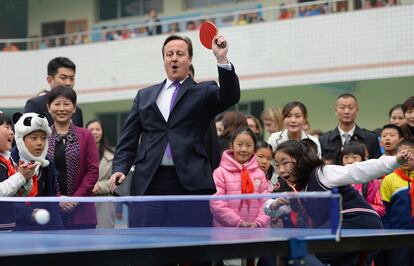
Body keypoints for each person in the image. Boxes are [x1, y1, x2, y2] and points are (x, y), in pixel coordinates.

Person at [109, 34, 240, 225]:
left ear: (189, 59)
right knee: (149, 245)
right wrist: (120, 167)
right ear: (164, 60)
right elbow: (128, 139)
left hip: (190, 182)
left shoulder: (204, 92)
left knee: (190, 247)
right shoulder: (144, 95)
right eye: (169, 54)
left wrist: (221, 59)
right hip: (149, 181)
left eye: (180, 53)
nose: (174, 58)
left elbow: (230, 96)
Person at [264, 139, 413, 265]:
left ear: (301, 160)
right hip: (348, 228)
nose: (281, 170)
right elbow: (270, 209)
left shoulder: (323, 174)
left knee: (305, 249)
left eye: (285, 163)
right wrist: (275, 204)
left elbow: (358, 170)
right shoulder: (299, 190)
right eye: (277, 165)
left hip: (358, 222)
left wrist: (395, 161)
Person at [47, 85, 99, 229]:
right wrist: (59, 199)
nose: (62, 108)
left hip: (82, 211)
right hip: (51, 211)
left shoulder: (86, 135)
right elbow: (40, 174)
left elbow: (93, 171)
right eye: (57, 104)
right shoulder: (43, 136)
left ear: (74, 108)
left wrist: (75, 199)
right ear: (49, 107)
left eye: (67, 104)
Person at [11, 112, 63, 230]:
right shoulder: (8, 162)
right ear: (20, 139)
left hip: (42, 231)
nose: (40, 143)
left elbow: (52, 203)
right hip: (14, 231)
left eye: (44, 138)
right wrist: (28, 214)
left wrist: (59, 232)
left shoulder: (47, 165)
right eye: (34, 138)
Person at [210, 127, 270, 228]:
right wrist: (238, 222)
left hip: (256, 233)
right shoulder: (220, 173)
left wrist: (259, 223)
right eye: (239, 145)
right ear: (231, 146)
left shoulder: (260, 174)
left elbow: (266, 202)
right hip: (226, 234)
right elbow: (217, 204)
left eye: (249, 145)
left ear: (254, 148)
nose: (244, 149)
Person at [380, 139, 414, 265]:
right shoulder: (389, 179)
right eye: (401, 154)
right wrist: (387, 236)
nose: (405, 158)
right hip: (397, 237)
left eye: (409, 154)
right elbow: (384, 211)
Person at [0, 113, 36, 231]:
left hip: (9, 227)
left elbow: (17, 193)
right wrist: (20, 176)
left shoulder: (9, 159)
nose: (12, 132)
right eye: (7, 127)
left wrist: (26, 178)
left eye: (12, 128)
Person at [319, 93, 381, 160]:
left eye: (351, 108)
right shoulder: (323, 140)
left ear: (357, 110)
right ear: (336, 111)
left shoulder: (371, 139)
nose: (346, 111)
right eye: (342, 108)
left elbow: (378, 166)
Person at [24, 57, 84, 127]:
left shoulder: (77, 111)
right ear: (50, 80)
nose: (68, 83)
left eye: (72, 78)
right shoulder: (36, 104)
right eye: (63, 78)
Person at [340, 141, 385, 217]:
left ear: (363, 159)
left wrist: (359, 207)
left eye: (354, 157)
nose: (349, 161)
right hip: (343, 224)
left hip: (364, 223)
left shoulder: (370, 181)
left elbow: (380, 209)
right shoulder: (338, 180)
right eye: (346, 157)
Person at [86, 119, 117, 228]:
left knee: (105, 237)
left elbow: (117, 180)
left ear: (102, 132)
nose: (94, 132)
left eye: (97, 129)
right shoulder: (79, 154)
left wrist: (101, 186)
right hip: (84, 202)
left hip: (104, 203)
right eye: (91, 129)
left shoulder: (112, 156)